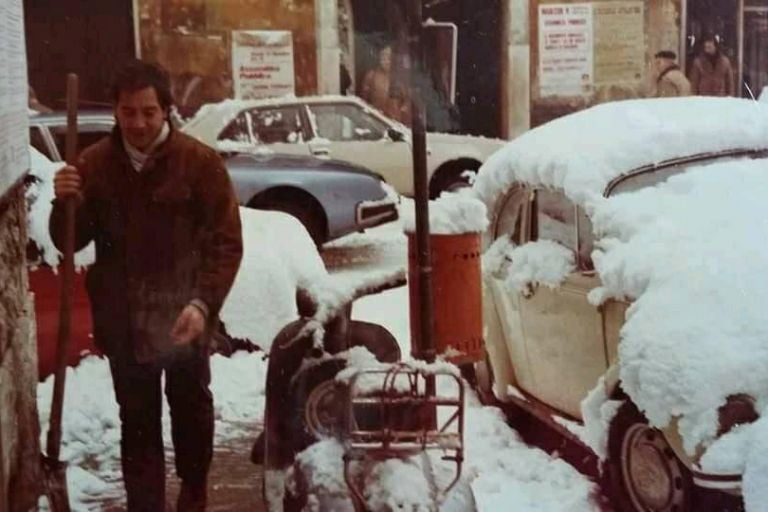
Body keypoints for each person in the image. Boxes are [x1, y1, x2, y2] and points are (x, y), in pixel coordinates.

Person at [49, 60, 243, 511]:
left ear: (167, 111)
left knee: (191, 413)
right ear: (116, 111)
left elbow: (225, 243)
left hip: (184, 314)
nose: (137, 123)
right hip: (124, 319)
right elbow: (70, 240)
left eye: (148, 112)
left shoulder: (199, 163)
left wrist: (203, 303)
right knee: (137, 423)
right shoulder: (93, 165)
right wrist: (65, 203)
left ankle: (193, 491)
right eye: (128, 112)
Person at [360, 45, 393, 113]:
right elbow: (363, 101)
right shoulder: (371, 76)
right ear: (380, 58)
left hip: (393, 120)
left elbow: (404, 104)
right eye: (384, 57)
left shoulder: (396, 78)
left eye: (389, 57)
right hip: (377, 117)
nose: (386, 61)